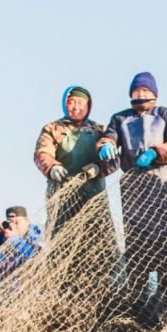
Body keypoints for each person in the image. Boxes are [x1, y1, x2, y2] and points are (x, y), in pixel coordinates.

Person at [97, 72, 167, 328]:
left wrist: (157, 152)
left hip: (163, 183)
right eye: (136, 91)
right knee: (139, 248)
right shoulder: (120, 118)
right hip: (134, 187)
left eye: (145, 91)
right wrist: (106, 144)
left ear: (154, 93)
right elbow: (108, 137)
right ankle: (140, 312)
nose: (140, 95)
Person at [34, 86, 113, 235]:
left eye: (81, 103)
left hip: (94, 194)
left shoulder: (99, 129)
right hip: (62, 193)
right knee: (61, 238)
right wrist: (51, 167)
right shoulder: (52, 129)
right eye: (71, 102)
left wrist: (99, 167)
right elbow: (42, 153)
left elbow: (112, 158)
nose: (76, 107)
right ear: (65, 104)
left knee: (99, 238)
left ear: (88, 105)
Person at [0, 206, 44, 287]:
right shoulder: (2, 242)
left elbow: (35, 257)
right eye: (10, 222)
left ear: (27, 222)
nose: (13, 226)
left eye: (17, 222)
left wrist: (14, 239)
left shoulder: (37, 239)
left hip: (23, 294)